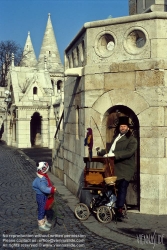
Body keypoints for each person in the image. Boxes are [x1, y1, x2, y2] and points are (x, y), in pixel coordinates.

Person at [97, 116, 137, 220]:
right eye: (121, 126)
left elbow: (129, 152)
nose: (122, 128)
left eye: (124, 126)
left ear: (128, 128)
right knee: (110, 187)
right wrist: (101, 152)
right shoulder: (117, 137)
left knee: (123, 186)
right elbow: (110, 150)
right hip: (114, 167)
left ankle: (119, 209)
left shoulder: (132, 140)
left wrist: (113, 155)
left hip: (125, 168)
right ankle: (111, 203)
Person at [32, 162, 56, 231]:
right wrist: (51, 189)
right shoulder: (41, 180)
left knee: (44, 209)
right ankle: (41, 224)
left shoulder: (43, 177)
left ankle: (44, 221)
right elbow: (44, 188)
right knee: (41, 210)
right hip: (41, 196)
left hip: (43, 196)